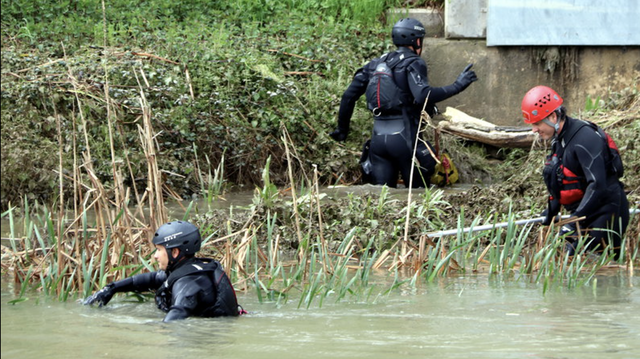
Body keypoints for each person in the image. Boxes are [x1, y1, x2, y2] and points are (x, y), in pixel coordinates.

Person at [329, 17, 478, 188]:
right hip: (406, 140)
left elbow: (348, 96)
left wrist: (342, 130)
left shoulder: (375, 64)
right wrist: (458, 85)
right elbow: (423, 95)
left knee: (382, 200)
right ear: (416, 41)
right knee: (418, 198)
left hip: (378, 141)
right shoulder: (414, 62)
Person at [522, 85, 629, 258]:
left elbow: (598, 185)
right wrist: (550, 214)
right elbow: (559, 181)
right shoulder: (560, 141)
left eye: (536, 123)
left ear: (552, 116)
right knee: (568, 266)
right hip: (584, 215)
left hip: (606, 214)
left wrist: (573, 221)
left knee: (597, 273)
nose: (534, 130)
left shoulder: (585, 138)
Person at [84, 221, 243, 321]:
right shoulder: (185, 270)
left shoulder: (188, 284)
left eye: (159, 250)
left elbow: (177, 316)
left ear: (174, 253)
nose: (155, 256)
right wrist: (112, 288)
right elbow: (150, 279)